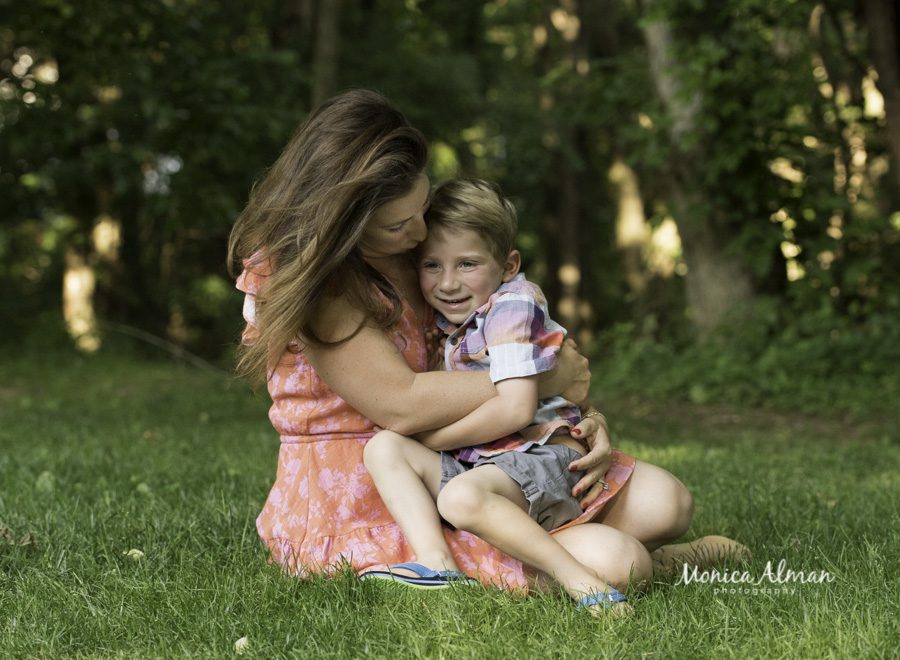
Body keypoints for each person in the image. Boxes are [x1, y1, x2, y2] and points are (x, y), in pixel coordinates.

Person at [228, 88, 745, 600]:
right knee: (619, 562)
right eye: (398, 225)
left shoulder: (419, 252)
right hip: (370, 483)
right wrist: (544, 377)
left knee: (666, 504)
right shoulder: (319, 280)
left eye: (422, 209)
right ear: (343, 220)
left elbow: (487, 348)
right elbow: (403, 404)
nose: (420, 233)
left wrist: (579, 419)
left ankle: (620, 545)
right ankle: (645, 560)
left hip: (474, 450)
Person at [363, 179, 633, 614]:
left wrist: (430, 442)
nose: (447, 282)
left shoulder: (511, 306)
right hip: (491, 462)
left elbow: (518, 407)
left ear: (508, 265)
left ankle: (579, 581)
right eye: (432, 265)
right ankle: (437, 565)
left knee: (456, 496)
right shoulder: (456, 318)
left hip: (539, 456)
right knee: (383, 448)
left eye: (467, 263)